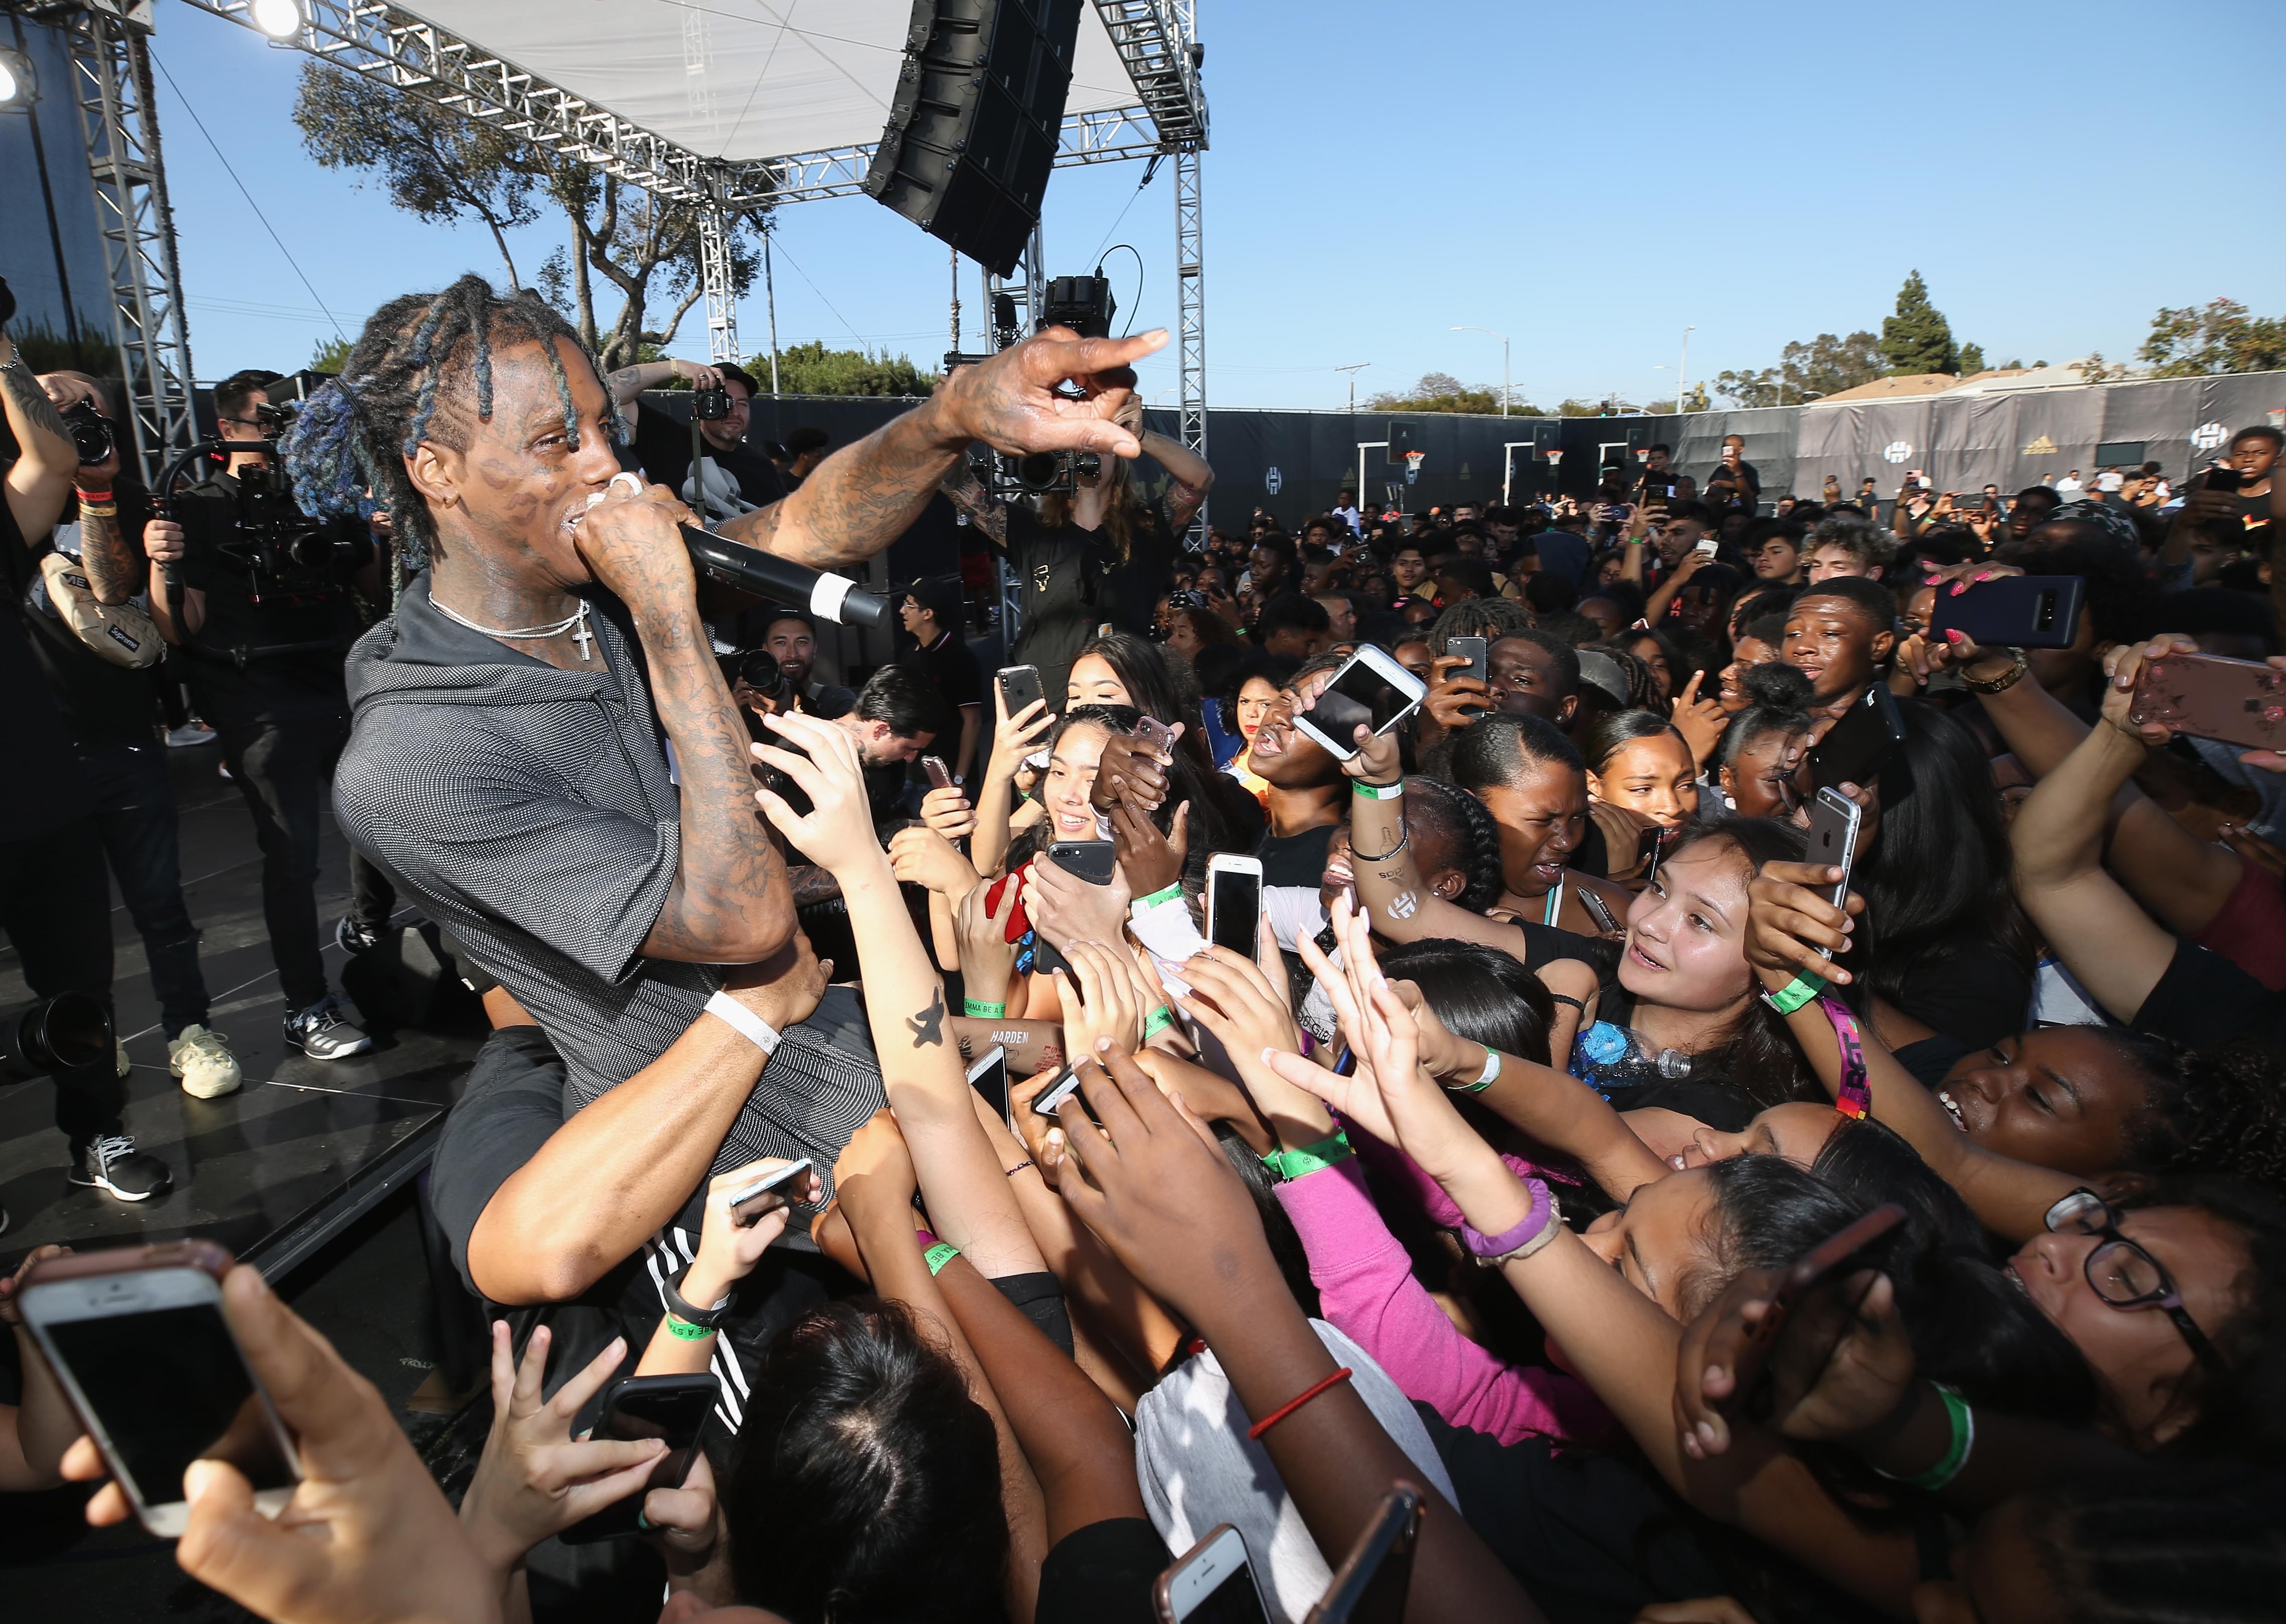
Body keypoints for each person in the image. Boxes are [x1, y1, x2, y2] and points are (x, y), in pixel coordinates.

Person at [300, 273, 1162, 1176]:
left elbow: (807, 522)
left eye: (604, 428)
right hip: (750, 1167)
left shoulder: (581, 591)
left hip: (846, 1057)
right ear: (435, 470)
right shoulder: (414, 757)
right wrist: (668, 612)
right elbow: (738, 923)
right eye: (558, 443)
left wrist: (950, 415)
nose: (608, 468)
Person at [143, 368, 392, 1060]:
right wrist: (160, 563)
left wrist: (377, 536)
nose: (283, 434)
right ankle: (306, 1006)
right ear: (227, 431)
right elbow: (179, 629)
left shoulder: (321, 495)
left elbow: (372, 586)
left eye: (290, 421)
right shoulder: (199, 505)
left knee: (392, 819)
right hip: (257, 691)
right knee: (292, 857)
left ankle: (371, 933)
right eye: (266, 422)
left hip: (340, 672)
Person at [18, 373, 240, 1099]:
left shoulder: (135, 499)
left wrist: (103, 495)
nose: (74, 418)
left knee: (161, 907)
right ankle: (96, 1054)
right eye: (54, 406)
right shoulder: (15, 499)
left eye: (90, 410)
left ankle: (189, 1032)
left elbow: (132, 606)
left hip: (122, 741)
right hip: (37, 759)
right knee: (67, 938)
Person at [0, 323, 173, 1207]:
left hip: (41, 803)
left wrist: (1, 347)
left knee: (81, 990)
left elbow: (51, 456)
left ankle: (98, 1137)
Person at [944, 388, 1212, 715]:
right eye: (1076, 446)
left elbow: (1200, 480)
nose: (1089, 454)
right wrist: (951, 418)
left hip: (1126, 709)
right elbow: (957, 484)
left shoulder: (1147, 528)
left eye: (1099, 444)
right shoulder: (1030, 531)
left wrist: (1141, 436)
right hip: (1049, 715)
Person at [607, 356, 786, 521]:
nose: (735, 412)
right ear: (699, 409)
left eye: (742, 404)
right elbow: (603, 393)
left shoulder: (763, 467)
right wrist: (675, 367)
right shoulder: (668, 441)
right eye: (724, 402)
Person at [897, 573, 984, 782]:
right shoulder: (909, 654)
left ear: (928, 613)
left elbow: (972, 721)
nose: (902, 611)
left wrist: (960, 777)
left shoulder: (959, 656)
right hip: (914, 774)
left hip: (948, 775)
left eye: (909, 605)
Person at [759, 606, 855, 718]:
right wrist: (735, 711)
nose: (792, 654)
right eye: (781, 643)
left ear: (815, 648)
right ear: (765, 650)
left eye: (801, 642)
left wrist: (787, 715)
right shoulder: (754, 701)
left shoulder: (837, 700)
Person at [1703, 434, 1760, 515]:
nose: (1726, 450)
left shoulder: (1749, 470)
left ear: (1741, 449)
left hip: (1742, 512)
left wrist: (1731, 485)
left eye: (1730, 448)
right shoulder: (1720, 470)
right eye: (1724, 447)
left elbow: (1753, 493)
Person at [783, 425, 830, 489]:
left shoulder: (823, 483)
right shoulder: (781, 484)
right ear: (804, 457)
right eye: (818, 457)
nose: (822, 461)